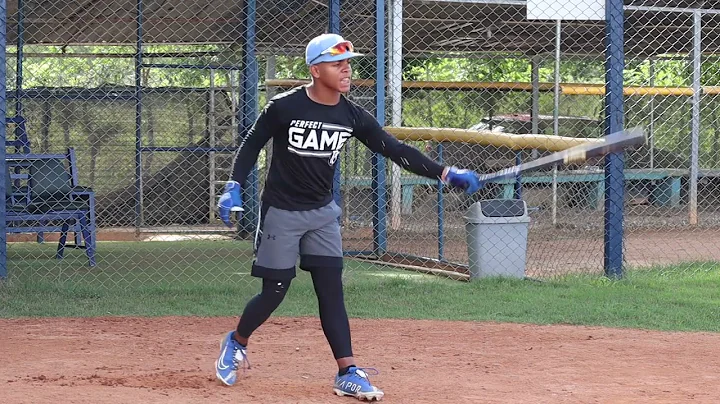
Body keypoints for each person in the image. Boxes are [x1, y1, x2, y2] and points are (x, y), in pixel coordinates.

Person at [214, 33, 483, 401]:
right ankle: (237, 340)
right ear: (315, 69)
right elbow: (252, 144)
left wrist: (444, 173)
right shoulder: (283, 107)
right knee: (275, 291)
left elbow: (395, 149)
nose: (347, 69)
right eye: (337, 63)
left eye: (348, 63)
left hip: (323, 214)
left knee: (331, 291)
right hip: (282, 213)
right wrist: (233, 184)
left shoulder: (352, 115)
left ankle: (347, 371)